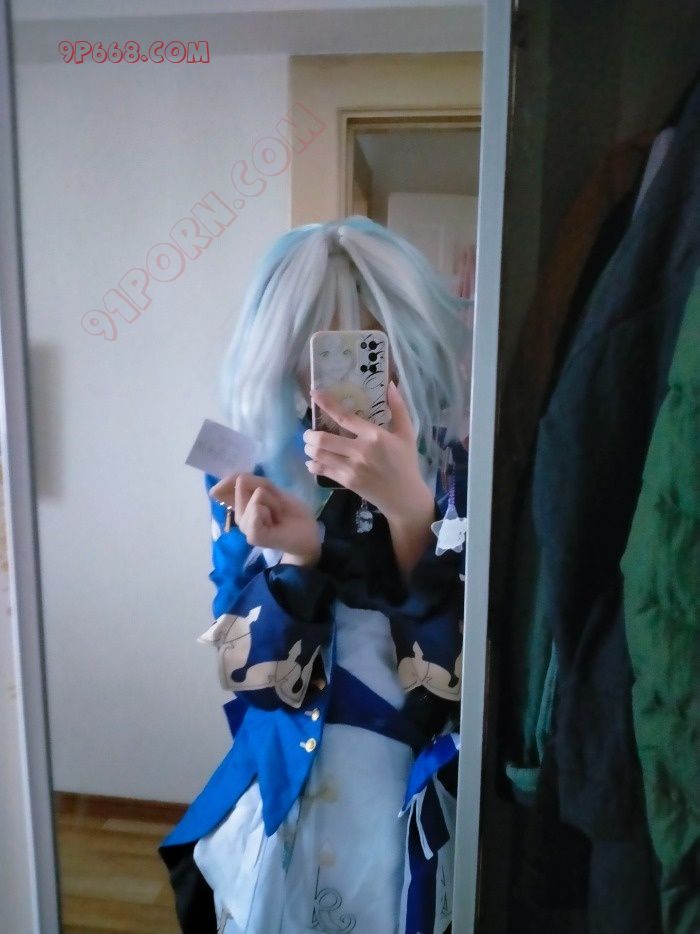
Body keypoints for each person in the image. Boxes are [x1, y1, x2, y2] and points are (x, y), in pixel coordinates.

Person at [158, 215, 472, 934]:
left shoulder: (458, 471)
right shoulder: (238, 463)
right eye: (318, 348)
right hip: (280, 808)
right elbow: (248, 680)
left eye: (367, 348)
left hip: (399, 817)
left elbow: (453, 694)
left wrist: (411, 514)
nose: (337, 377)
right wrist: (299, 560)